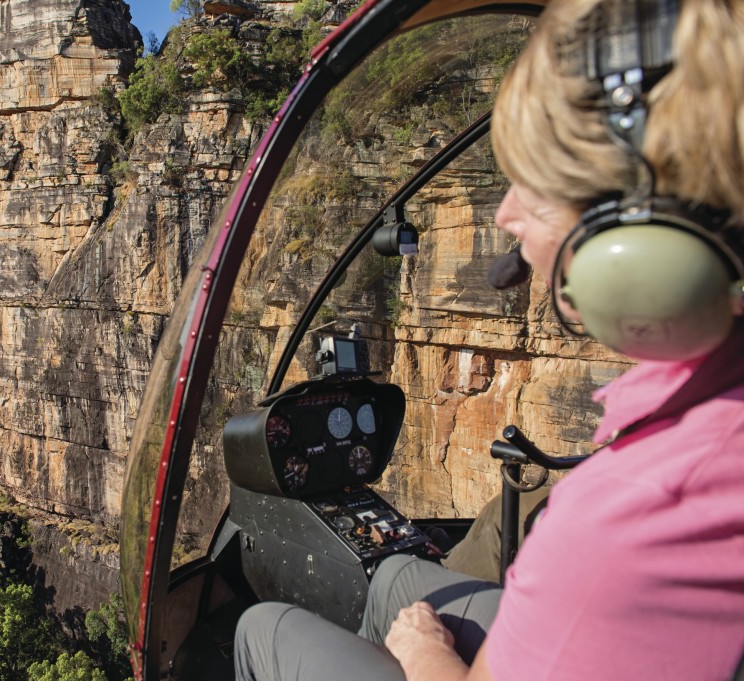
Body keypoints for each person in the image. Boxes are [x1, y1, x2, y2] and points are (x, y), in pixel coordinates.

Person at [234, 0, 744, 679]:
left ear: (635, 234)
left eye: (536, 187)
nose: (504, 214)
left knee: (263, 628)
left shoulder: (630, 515)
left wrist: (424, 654)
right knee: (391, 581)